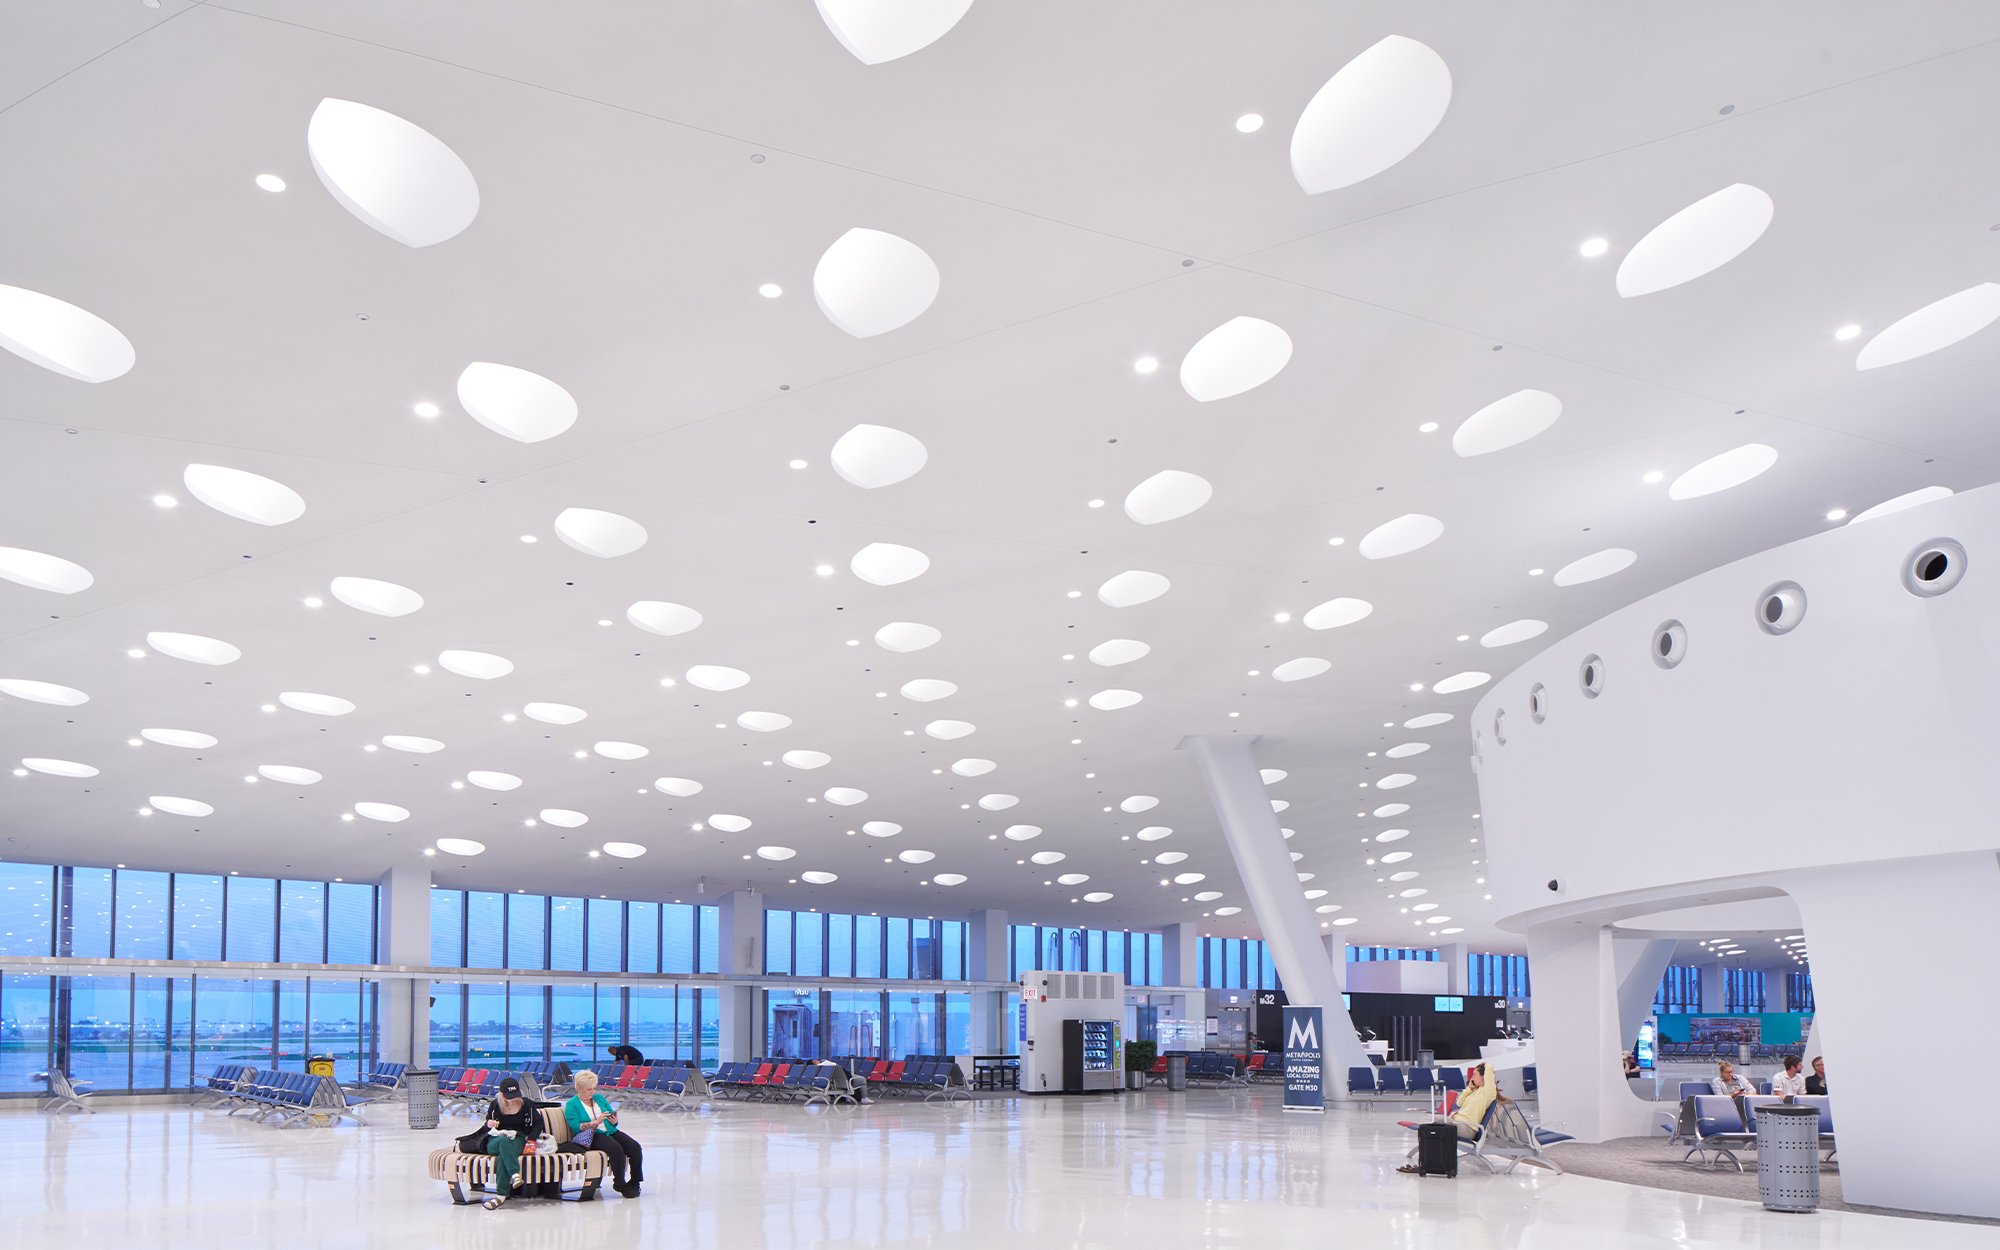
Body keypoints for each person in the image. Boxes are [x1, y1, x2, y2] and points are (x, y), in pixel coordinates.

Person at [564, 1069, 644, 1197]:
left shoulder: (599, 1099)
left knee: (634, 1147)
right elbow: (577, 1128)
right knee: (615, 1148)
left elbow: (610, 1114)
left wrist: (614, 1121)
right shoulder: (572, 1105)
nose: (593, 1092)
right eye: (589, 1089)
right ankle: (619, 1183)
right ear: (579, 1088)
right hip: (593, 1135)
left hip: (610, 1130)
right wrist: (596, 1122)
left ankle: (635, 1182)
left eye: (594, 1088)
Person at [478, 1076, 543, 1211]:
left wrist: (531, 1138)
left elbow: (538, 1123)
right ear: (502, 1095)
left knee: (504, 1155)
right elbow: (487, 1127)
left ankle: (500, 1196)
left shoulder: (527, 1105)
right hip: (496, 1140)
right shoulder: (495, 1105)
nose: (513, 1099)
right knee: (503, 1142)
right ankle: (515, 1174)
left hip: (518, 1139)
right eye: (509, 1097)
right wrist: (489, 1124)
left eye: (515, 1096)